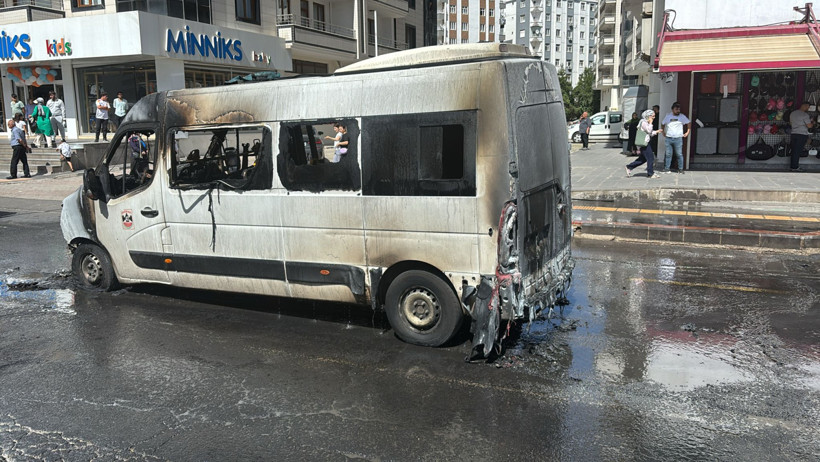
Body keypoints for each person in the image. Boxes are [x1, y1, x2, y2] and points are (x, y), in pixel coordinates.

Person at [625, 109, 661, 179]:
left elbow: (649, 133)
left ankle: (629, 167)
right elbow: (649, 130)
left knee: (643, 159)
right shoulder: (643, 122)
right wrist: (651, 123)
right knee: (650, 158)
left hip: (646, 142)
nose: (654, 117)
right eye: (652, 116)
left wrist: (656, 131)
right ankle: (650, 173)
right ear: (648, 116)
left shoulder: (646, 123)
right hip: (644, 143)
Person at [661, 102, 691, 174]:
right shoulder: (668, 116)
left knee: (679, 154)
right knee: (668, 154)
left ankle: (680, 169)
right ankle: (667, 168)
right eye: (676, 109)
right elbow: (662, 124)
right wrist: (663, 132)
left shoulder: (682, 117)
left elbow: (688, 123)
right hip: (669, 137)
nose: (678, 111)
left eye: (678, 109)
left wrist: (687, 132)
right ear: (672, 110)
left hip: (678, 138)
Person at [788, 101, 813, 172]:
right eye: (808, 106)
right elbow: (809, 126)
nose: (808, 108)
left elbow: (790, 123)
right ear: (805, 105)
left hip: (793, 134)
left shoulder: (792, 113)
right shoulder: (805, 115)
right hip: (801, 135)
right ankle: (795, 167)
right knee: (797, 151)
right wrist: (812, 123)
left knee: (794, 151)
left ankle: (793, 166)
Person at [7, 114, 31, 179]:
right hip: (21, 147)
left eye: (9, 124)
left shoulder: (15, 130)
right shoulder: (19, 130)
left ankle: (13, 175)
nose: (8, 126)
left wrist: (24, 145)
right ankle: (27, 173)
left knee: (14, 161)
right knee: (24, 161)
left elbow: (19, 139)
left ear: (12, 124)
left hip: (18, 146)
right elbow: (23, 138)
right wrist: (25, 146)